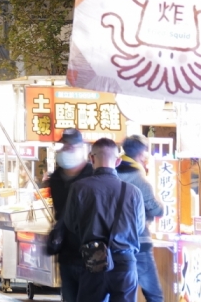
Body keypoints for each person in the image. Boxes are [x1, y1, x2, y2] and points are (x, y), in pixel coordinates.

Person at [62, 138, 144, 302]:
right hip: (125, 264)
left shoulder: (79, 188)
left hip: (94, 262)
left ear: (91, 158)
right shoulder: (133, 192)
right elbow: (139, 227)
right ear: (118, 160)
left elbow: (70, 224)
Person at [46, 128, 95, 302]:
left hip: (90, 254)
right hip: (65, 253)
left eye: (71, 145)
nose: (66, 149)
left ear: (80, 147)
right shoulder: (56, 178)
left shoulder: (92, 175)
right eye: (64, 145)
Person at [117, 137, 164, 302]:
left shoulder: (113, 172)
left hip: (114, 243)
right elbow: (156, 209)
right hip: (139, 241)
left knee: (123, 294)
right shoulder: (138, 177)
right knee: (154, 294)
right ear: (142, 153)